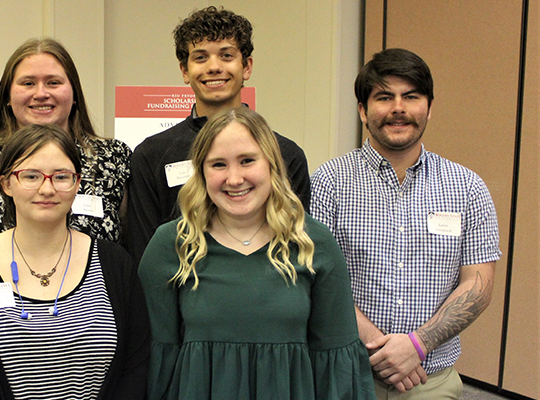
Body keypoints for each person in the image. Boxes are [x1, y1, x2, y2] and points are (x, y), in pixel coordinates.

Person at [139, 107, 375, 399]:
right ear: (200, 171)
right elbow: (154, 363)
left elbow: (337, 368)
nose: (234, 178)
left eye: (247, 161)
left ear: (272, 165)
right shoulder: (172, 245)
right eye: (218, 165)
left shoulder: (313, 244)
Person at [310, 48, 501, 399]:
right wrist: (379, 348)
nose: (398, 108)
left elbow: (479, 283)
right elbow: (315, 277)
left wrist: (417, 344)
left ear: (429, 107)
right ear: (363, 111)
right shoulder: (328, 182)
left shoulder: (468, 187)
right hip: (346, 375)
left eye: (411, 96)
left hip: (430, 381)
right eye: (384, 97)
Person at [0, 124, 149, 399]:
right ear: (6, 183)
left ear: (77, 183)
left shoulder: (115, 264)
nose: (47, 188)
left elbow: (135, 367)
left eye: (61, 176)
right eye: (31, 176)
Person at [124, 6, 311, 262]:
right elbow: (143, 255)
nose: (213, 67)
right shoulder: (151, 155)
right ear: (184, 71)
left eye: (226, 55)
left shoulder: (286, 155)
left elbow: (295, 246)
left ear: (246, 67)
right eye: (200, 58)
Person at [0, 37, 131, 271]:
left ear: (74, 93)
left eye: (53, 82)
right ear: (7, 95)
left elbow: (128, 245)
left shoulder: (112, 157)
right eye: (27, 83)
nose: (41, 93)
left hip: (90, 303)